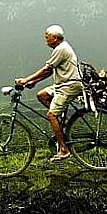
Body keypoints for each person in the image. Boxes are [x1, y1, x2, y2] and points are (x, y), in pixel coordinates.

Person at [15, 25, 83, 162]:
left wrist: (26, 80)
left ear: (55, 38)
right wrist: (33, 82)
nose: (46, 41)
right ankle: (64, 122)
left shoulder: (61, 49)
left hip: (68, 86)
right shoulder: (61, 48)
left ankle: (64, 150)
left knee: (51, 115)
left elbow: (47, 69)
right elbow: (51, 71)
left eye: (47, 38)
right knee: (42, 95)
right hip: (61, 85)